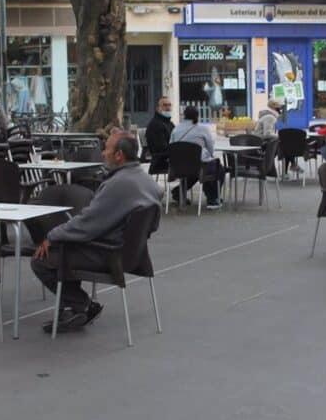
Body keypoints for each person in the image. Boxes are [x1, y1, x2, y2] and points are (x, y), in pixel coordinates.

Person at [31, 131, 162, 333]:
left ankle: (82, 304)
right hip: (134, 254)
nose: (102, 153)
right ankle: (75, 308)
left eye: (107, 149)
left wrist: (52, 236)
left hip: (108, 254)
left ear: (119, 155)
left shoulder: (117, 184)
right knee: (67, 245)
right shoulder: (148, 183)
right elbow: (152, 225)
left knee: (42, 259)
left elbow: (86, 225)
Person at [169, 105, 224, 209]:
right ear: (197, 116)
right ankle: (212, 199)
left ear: (184, 116)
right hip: (198, 166)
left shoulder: (175, 129)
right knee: (217, 168)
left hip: (178, 167)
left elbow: (171, 146)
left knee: (193, 170)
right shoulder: (202, 129)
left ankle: (178, 191)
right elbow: (210, 149)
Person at [144, 96, 174, 174]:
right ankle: (182, 186)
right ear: (158, 108)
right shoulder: (155, 125)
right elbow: (161, 148)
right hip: (161, 162)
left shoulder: (170, 124)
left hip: (171, 157)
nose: (168, 107)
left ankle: (182, 186)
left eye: (169, 105)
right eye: (164, 105)